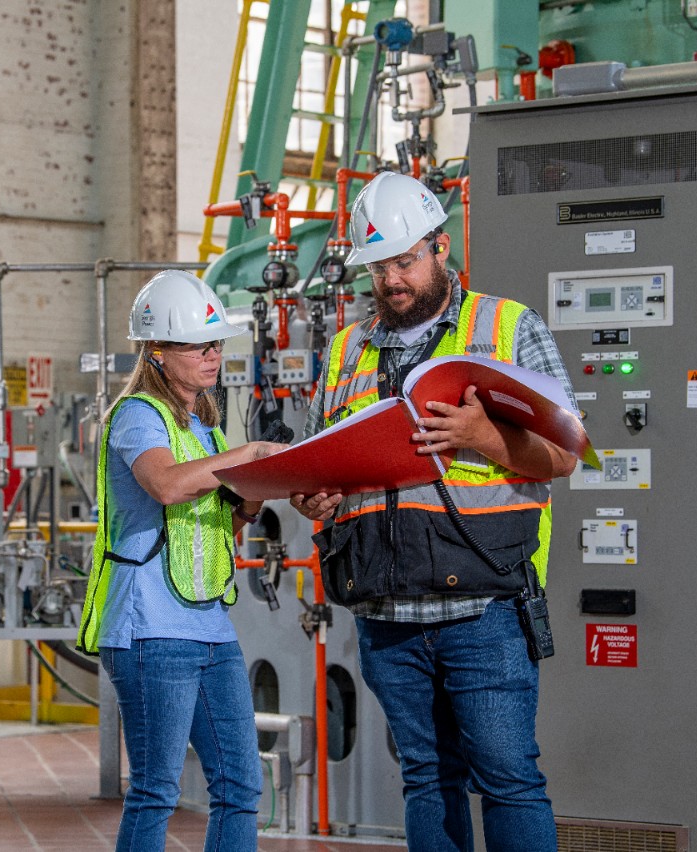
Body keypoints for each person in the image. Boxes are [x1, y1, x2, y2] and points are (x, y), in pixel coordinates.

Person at [290, 171, 578, 852]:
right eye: (379, 266)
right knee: (426, 778)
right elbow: (319, 469)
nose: (392, 280)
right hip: (387, 613)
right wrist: (314, 497)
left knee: (507, 778)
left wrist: (482, 437)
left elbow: (566, 455)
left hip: (485, 609)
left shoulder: (506, 328)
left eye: (405, 260)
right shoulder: (343, 353)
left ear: (440, 248)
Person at [77, 269, 286, 852]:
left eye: (216, 344)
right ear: (159, 352)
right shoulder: (138, 415)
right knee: (156, 790)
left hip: (209, 628)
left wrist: (258, 489)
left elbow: (224, 524)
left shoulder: (206, 430)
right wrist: (247, 454)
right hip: (149, 631)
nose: (213, 356)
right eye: (199, 345)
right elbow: (166, 486)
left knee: (242, 784)